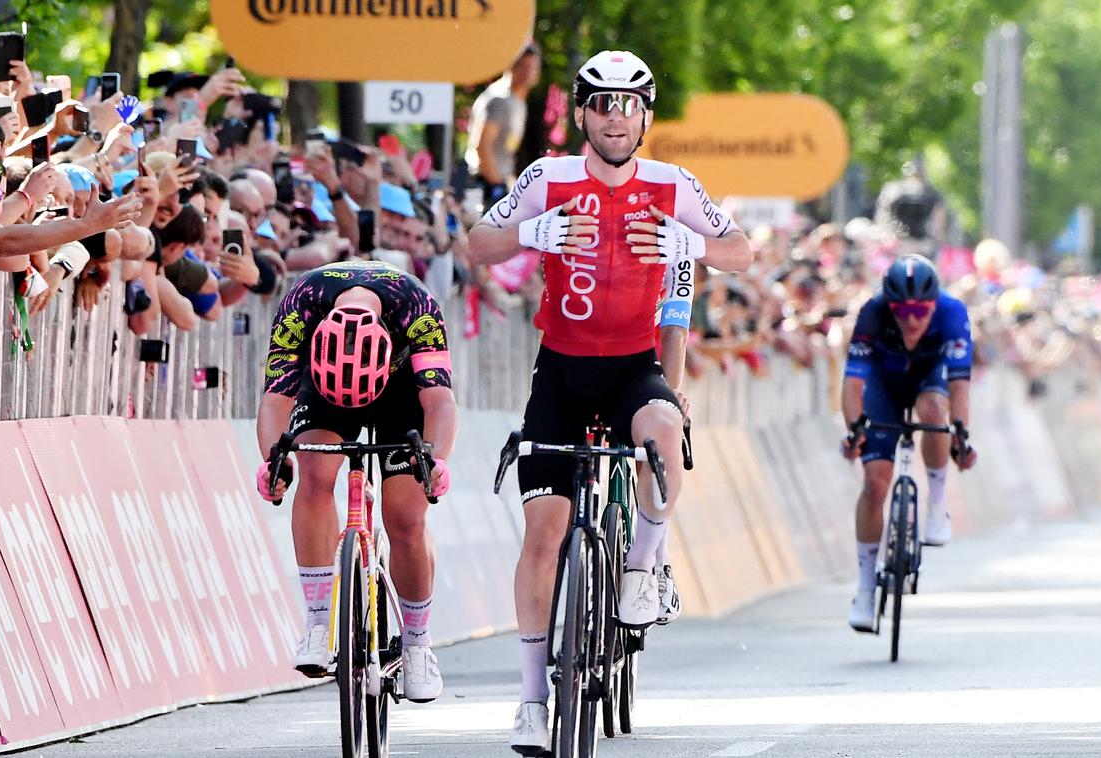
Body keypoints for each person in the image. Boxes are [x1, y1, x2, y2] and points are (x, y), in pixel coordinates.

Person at [467, 49, 751, 755]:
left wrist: (689, 239)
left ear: (646, 116)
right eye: (601, 104)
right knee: (543, 535)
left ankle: (639, 568)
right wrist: (535, 232)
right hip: (560, 371)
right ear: (583, 114)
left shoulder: (672, 182)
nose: (615, 118)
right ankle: (532, 699)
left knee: (665, 432)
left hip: (631, 367)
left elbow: (740, 250)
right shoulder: (549, 176)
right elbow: (475, 244)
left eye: (628, 106)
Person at [253, 259, 458, 703]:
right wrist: (275, 462)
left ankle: (418, 644)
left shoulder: (417, 307)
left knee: (405, 515)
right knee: (314, 471)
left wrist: (436, 461)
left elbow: (440, 402)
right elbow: (274, 401)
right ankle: (316, 622)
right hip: (323, 389)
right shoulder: (301, 304)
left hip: (401, 392)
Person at [840, 254, 977, 633]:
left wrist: (961, 436)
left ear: (934, 305)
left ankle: (936, 504)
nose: (911, 319)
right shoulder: (872, 312)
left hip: (927, 379)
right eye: (901, 311)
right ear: (889, 306)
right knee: (875, 483)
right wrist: (854, 431)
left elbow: (960, 386)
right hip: (883, 385)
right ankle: (866, 589)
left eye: (920, 310)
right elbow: (852, 385)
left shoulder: (953, 313)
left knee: (934, 410)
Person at [463, 43, 541, 205]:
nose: (528, 72)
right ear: (510, 65)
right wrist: (498, 186)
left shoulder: (518, 101)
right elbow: (482, 146)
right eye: (523, 66)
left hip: (499, 181)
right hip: (484, 185)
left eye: (533, 67)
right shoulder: (500, 100)